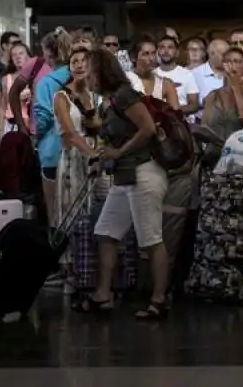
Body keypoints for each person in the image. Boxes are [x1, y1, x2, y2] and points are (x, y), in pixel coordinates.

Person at [75, 48, 169, 320]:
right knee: (106, 231)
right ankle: (103, 294)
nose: (87, 76)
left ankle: (159, 299)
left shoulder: (124, 95)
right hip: (126, 176)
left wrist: (118, 152)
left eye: (90, 71)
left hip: (143, 172)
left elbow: (148, 129)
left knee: (151, 238)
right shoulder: (109, 100)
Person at [53, 48, 100, 291]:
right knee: (71, 210)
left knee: (91, 212)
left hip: (92, 155)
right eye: (75, 62)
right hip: (74, 157)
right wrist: (92, 154)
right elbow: (70, 133)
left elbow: (97, 126)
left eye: (84, 61)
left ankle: (88, 267)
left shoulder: (92, 95)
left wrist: (87, 106)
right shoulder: (61, 96)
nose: (80, 65)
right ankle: (69, 269)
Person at [33, 29, 75, 230]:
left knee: (55, 215)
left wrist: (34, 134)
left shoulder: (46, 82)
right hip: (78, 150)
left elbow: (42, 119)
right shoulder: (79, 78)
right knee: (76, 211)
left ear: (50, 53)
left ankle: (60, 259)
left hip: (52, 151)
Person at [201, 47, 243, 164]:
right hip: (214, 157)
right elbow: (204, 126)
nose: (231, 65)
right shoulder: (213, 95)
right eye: (227, 61)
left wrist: (235, 88)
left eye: (236, 61)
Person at [126, 35, 179, 108]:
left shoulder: (165, 84)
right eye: (146, 54)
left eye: (153, 53)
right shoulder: (126, 81)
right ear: (133, 58)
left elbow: (176, 115)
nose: (151, 58)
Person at [156, 33, 200, 120]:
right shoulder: (152, 74)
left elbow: (194, 105)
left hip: (182, 122)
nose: (166, 51)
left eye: (170, 47)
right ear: (158, 52)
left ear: (177, 53)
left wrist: (173, 110)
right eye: (162, 47)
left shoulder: (187, 74)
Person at [0, 42, 31, 140]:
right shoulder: (6, 79)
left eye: (21, 53)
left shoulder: (35, 77)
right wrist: (0, 131)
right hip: (10, 125)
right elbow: (2, 107)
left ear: (28, 56)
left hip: (29, 125)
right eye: (14, 55)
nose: (18, 57)